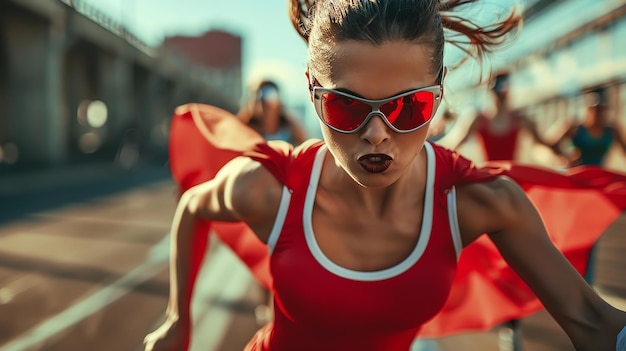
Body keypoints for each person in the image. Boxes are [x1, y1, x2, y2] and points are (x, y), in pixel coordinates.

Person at [144, 1, 626, 351]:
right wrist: (176, 321)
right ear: (313, 92)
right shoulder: (270, 188)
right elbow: (191, 207)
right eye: (345, 104)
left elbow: (590, 320)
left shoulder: (480, 202)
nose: (377, 134)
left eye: (407, 106)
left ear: (438, 97)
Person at [454, 71, 558, 162]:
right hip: (492, 177)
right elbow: (456, 146)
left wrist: (560, 153)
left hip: (507, 175)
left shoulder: (519, 118)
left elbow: (543, 144)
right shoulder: (480, 120)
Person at [552, 87, 626, 168]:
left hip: (597, 174)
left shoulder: (611, 130)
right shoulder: (575, 128)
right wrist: (565, 158)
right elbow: (552, 145)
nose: (598, 114)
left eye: (600, 110)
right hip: (576, 173)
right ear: (588, 109)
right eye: (594, 109)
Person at [237, 79, 308, 145]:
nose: (264, 102)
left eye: (270, 95)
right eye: (258, 96)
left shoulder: (291, 130)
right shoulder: (243, 131)